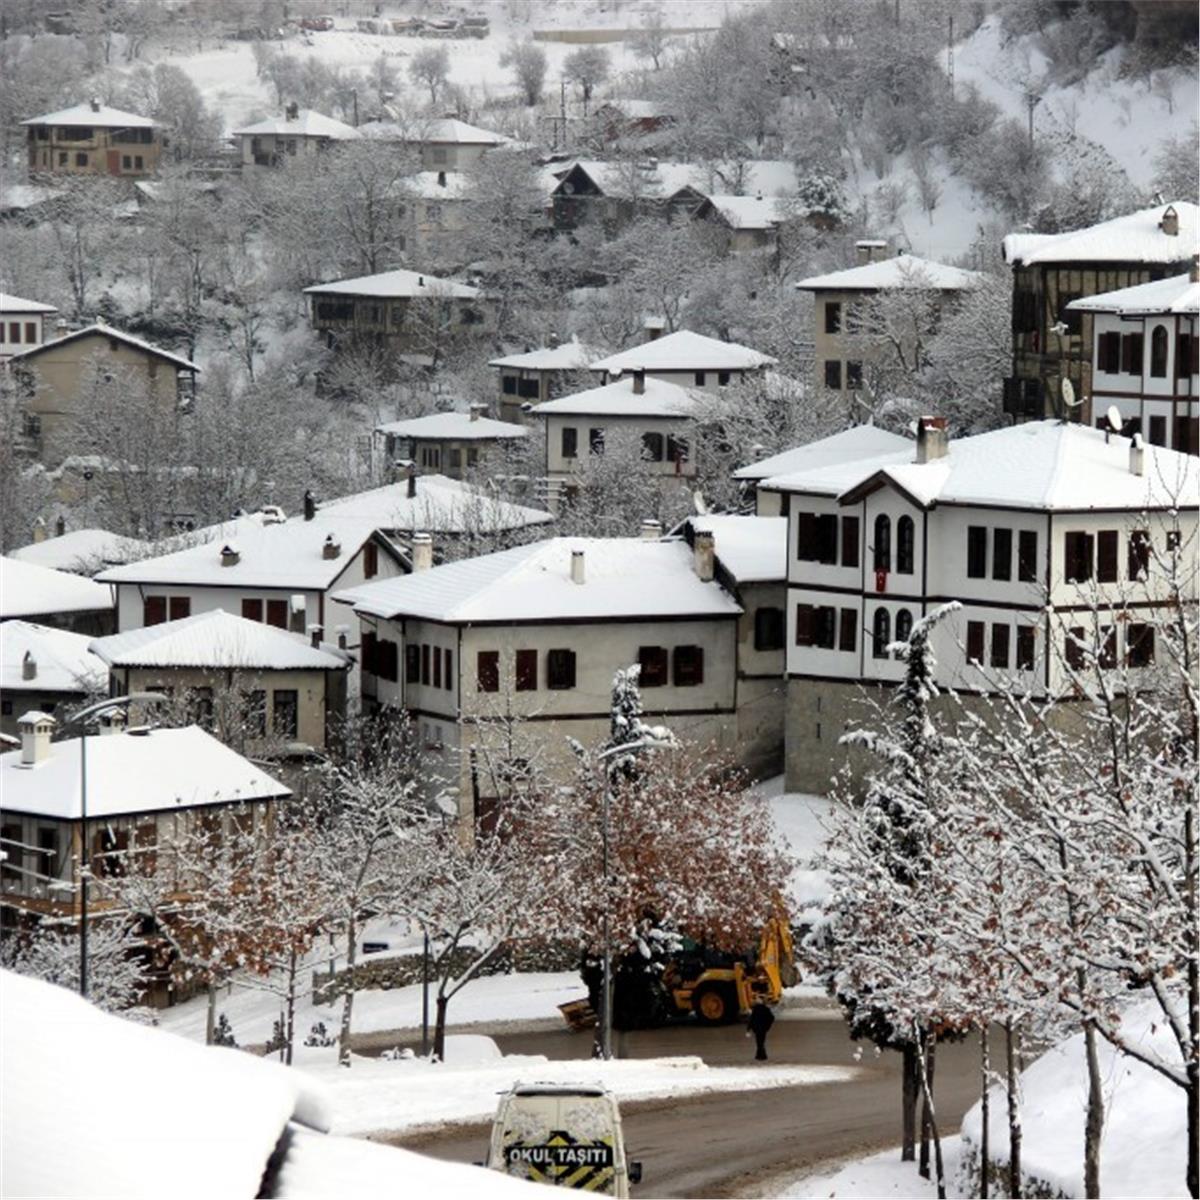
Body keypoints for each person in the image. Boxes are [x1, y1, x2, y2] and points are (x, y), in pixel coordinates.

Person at [747, 996, 775, 1061]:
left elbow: (751, 1020)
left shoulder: (755, 1009)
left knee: (759, 1042)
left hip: (757, 1029)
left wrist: (748, 1029)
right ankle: (760, 1055)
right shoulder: (766, 1009)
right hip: (763, 1029)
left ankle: (762, 1056)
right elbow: (772, 1018)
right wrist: (767, 1026)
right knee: (761, 1042)